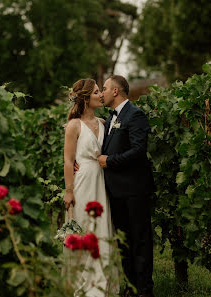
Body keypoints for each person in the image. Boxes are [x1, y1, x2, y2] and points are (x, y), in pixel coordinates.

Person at [98, 75, 155, 297]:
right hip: (116, 191)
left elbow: (138, 150)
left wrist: (109, 161)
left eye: (104, 88)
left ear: (115, 91)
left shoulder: (135, 114)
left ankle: (144, 291)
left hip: (134, 190)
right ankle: (130, 288)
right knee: (124, 243)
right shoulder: (110, 118)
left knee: (140, 240)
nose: (101, 93)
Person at [63, 78, 117, 297]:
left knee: (102, 229)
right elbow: (68, 161)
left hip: (102, 180)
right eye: (96, 92)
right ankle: (81, 286)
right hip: (83, 180)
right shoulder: (74, 125)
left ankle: (102, 286)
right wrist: (69, 191)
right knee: (84, 228)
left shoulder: (104, 123)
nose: (100, 95)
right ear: (86, 97)